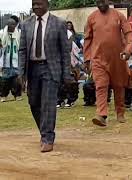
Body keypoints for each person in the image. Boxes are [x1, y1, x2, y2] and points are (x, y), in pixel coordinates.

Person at [19, 0, 71, 152]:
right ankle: (44, 133)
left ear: (47, 4)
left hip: (50, 68)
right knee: (34, 102)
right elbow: (22, 50)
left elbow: (65, 52)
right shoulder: (26, 24)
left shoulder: (59, 23)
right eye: (34, 4)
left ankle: (48, 138)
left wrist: (66, 74)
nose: (36, 7)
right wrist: (21, 73)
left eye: (39, 4)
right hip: (32, 68)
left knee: (48, 104)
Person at [84, 0, 132, 126]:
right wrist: (87, 59)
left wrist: (128, 50)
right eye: (98, 1)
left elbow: (128, 34)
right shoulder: (91, 18)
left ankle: (120, 112)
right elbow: (87, 39)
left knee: (119, 86)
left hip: (118, 58)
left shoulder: (119, 15)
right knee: (101, 85)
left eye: (103, 1)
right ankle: (101, 114)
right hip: (98, 59)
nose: (100, 3)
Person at [56, 29, 82, 108]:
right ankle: (60, 100)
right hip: (59, 62)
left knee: (71, 82)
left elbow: (72, 51)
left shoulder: (73, 45)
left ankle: (71, 100)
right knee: (59, 82)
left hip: (71, 62)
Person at [0, 18, 22, 102]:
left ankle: (17, 95)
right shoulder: (2, 33)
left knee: (16, 80)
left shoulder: (19, 33)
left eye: (14, 25)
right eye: (11, 25)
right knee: (4, 81)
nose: (13, 26)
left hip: (16, 61)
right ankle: (3, 96)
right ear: (8, 25)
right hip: (5, 62)